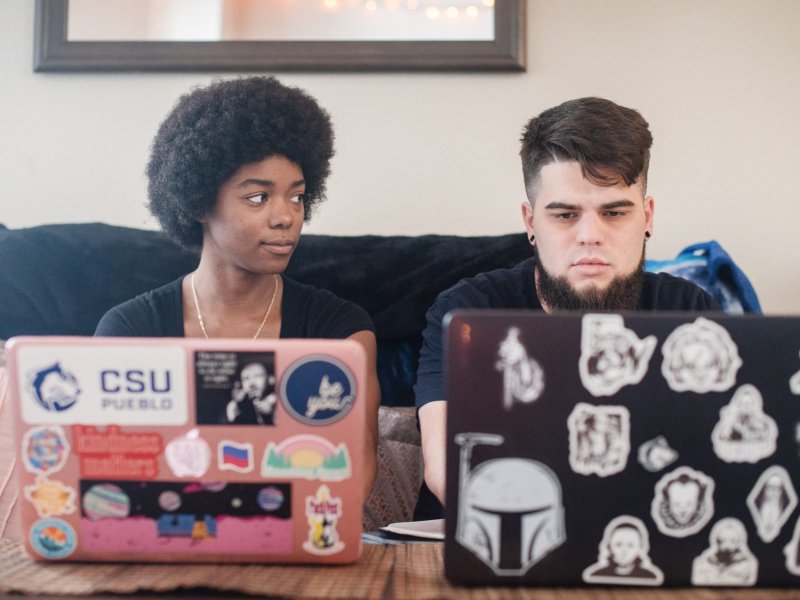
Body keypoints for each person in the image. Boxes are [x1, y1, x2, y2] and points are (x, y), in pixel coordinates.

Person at [414, 97, 721, 516]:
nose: (590, 235)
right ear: (530, 222)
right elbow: (447, 471)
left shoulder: (689, 313)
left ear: (647, 217)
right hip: (492, 546)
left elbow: (717, 467)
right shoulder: (468, 314)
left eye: (614, 212)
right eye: (564, 215)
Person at [95, 76, 379, 492]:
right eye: (258, 197)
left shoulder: (340, 331)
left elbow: (354, 472)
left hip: (298, 545)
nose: (286, 217)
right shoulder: (129, 331)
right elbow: (112, 473)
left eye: (297, 197)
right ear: (198, 203)